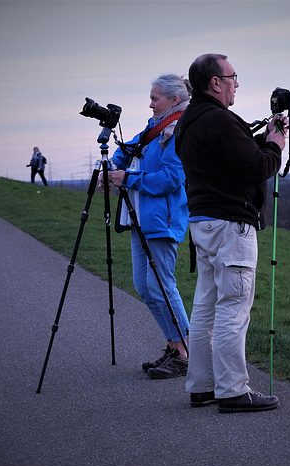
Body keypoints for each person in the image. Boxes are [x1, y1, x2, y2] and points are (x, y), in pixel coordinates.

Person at [174, 54, 288, 412]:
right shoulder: (219, 120)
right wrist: (276, 145)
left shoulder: (189, 121)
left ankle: (203, 386)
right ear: (215, 83)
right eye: (233, 76)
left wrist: (258, 135)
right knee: (233, 308)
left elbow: (225, 158)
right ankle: (232, 390)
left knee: (206, 307)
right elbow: (257, 167)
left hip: (202, 223)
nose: (237, 82)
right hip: (230, 226)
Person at [101, 74, 191, 379]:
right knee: (144, 286)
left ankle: (185, 353)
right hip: (139, 218)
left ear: (174, 100)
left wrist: (127, 178)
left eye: (155, 98)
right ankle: (173, 345)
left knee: (162, 286)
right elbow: (126, 149)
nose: (150, 103)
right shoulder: (155, 128)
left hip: (162, 220)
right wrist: (113, 166)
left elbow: (172, 179)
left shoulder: (178, 130)